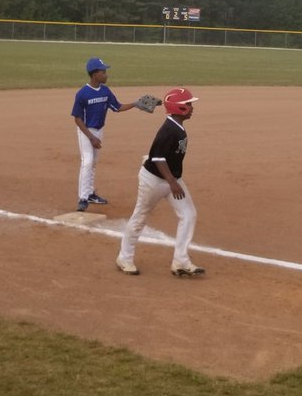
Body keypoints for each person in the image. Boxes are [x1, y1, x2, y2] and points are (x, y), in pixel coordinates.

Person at [116, 87, 205, 278]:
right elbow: (157, 158)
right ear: (178, 108)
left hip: (172, 179)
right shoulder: (169, 130)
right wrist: (172, 182)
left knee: (188, 214)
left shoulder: (177, 126)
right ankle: (124, 258)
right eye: (188, 104)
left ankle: (180, 260)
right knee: (140, 216)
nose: (191, 107)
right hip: (154, 181)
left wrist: (173, 181)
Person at [71, 57, 139, 213]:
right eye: (103, 72)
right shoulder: (82, 93)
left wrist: (135, 104)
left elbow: (117, 107)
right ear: (95, 74)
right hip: (86, 131)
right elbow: (77, 118)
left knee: (93, 162)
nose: (106, 75)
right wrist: (91, 137)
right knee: (87, 161)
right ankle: (83, 198)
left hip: (99, 130)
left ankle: (90, 193)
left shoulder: (105, 91)